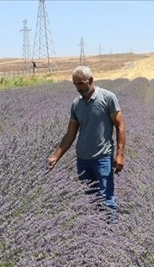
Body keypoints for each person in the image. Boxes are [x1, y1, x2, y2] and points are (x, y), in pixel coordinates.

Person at [47, 65, 126, 220]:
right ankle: (95, 235)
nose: (78, 87)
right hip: (83, 159)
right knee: (90, 199)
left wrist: (120, 155)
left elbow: (120, 127)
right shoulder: (77, 104)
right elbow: (70, 134)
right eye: (75, 84)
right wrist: (55, 156)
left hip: (102, 157)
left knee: (106, 197)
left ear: (90, 80)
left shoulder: (108, 98)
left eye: (81, 83)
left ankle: (110, 233)